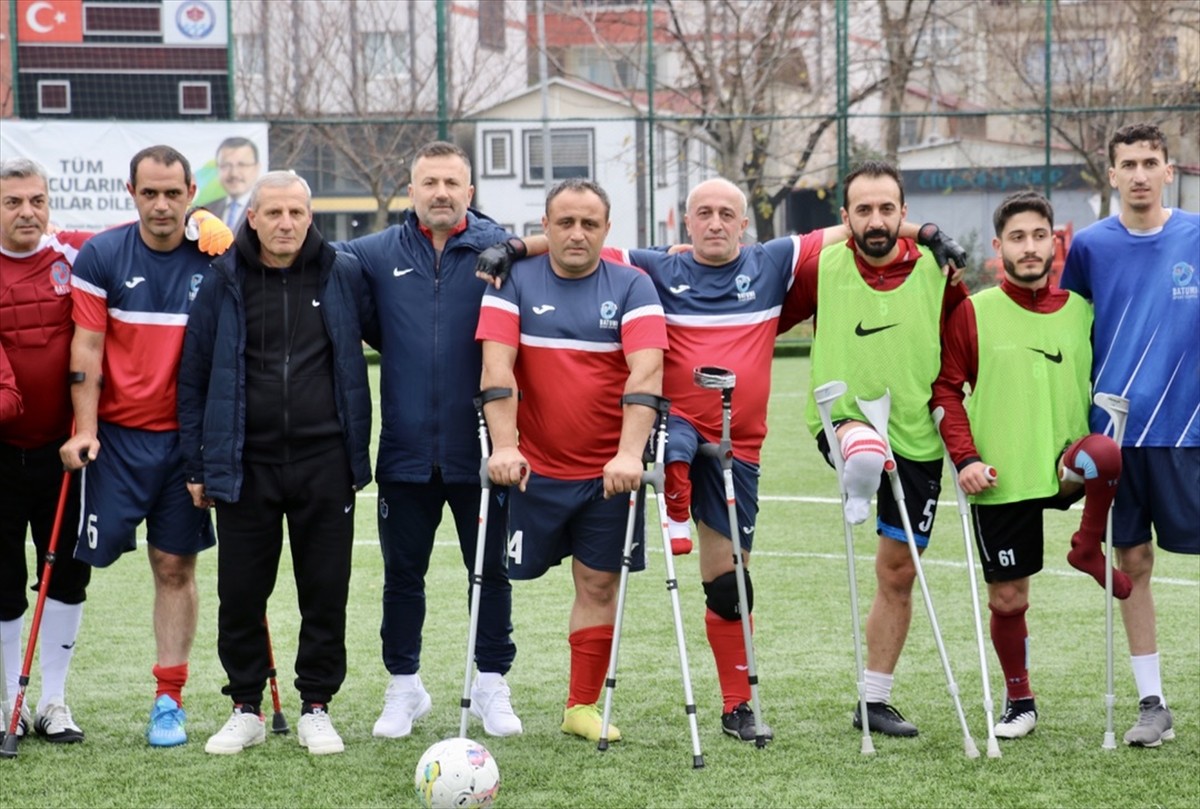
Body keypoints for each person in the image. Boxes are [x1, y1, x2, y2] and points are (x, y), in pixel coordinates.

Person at [477, 176, 964, 742]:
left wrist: (925, 231)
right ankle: (674, 510)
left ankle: (738, 707)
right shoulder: (654, 267)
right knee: (670, 449)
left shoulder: (773, 262)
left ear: (743, 224)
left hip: (739, 447)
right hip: (670, 430)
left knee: (730, 583)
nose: (714, 223)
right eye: (703, 213)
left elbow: (859, 224)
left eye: (725, 213)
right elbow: (573, 241)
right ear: (687, 224)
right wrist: (515, 247)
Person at [178, 171, 376, 756]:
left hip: (325, 460)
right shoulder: (222, 278)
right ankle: (246, 706)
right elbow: (193, 377)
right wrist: (199, 465)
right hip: (246, 464)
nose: (286, 223)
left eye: (296, 212)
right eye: (274, 213)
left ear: (309, 218)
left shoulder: (343, 273)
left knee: (325, 590)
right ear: (254, 218)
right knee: (240, 593)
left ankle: (316, 704)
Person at [334, 141, 523, 739]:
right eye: (429, 182)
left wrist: (516, 244)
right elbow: (299, 250)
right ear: (410, 190)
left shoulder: (499, 251)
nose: (440, 192)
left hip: (482, 451)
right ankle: (404, 687)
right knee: (401, 576)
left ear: (469, 191)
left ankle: (491, 683)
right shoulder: (376, 251)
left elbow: (577, 244)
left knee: (488, 572)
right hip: (405, 451)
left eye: (452, 182)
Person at [932, 190, 1130, 740]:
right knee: (1008, 598)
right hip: (1004, 471)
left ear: (1055, 242)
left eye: (1039, 236)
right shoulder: (974, 311)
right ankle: (1020, 700)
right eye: (1017, 238)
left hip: (1069, 464)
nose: (1030, 247)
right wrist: (966, 459)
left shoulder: (1081, 312)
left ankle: (1087, 548)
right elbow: (946, 391)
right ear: (999, 248)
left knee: (1107, 453)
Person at [782, 160, 969, 737]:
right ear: (845, 219)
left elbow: (963, 351)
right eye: (863, 209)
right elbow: (762, 317)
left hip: (916, 439)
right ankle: (857, 479)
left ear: (904, 214)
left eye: (887, 208)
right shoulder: (823, 266)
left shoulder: (940, 272)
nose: (876, 220)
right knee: (862, 449)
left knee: (897, 573)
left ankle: (874, 699)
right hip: (843, 422)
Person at [477, 178, 667, 742]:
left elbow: (647, 374)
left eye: (589, 223)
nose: (577, 233)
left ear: (607, 230)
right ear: (545, 226)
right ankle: (488, 688)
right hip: (531, 469)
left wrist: (629, 454)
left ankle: (581, 706)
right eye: (565, 222)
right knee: (496, 577)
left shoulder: (635, 286)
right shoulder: (511, 281)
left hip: (606, 476)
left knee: (598, 584)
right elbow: (497, 370)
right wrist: (505, 445)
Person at [58, 145, 227, 748]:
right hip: (117, 442)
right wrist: (85, 429)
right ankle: (49, 699)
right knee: (74, 566)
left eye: (172, 193)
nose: (161, 205)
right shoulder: (104, 254)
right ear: (131, 193)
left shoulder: (216, 255)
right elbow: (87, 351)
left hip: (188, 443)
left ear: (190, 196)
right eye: (149, 193)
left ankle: (168, 699)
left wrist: (232, 246)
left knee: (174, 566)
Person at [1060, 122, 1199, 748]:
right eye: (1128, 164)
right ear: (1110, 174)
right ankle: (1153, 702)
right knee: (1132, 562)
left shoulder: (1197, 238)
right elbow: (1070, 335)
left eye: (1150, 162)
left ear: (1170, 171)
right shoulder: (1089, 247)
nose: (1140, 174)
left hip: (1188, 431)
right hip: (1115, 437)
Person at [0, 158, 93, 744]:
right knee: (2, 581)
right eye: (13, 202)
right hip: (1, 454)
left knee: (68, 576)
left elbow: (146, 237)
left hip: (68, 453)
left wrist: (202, 225)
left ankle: (53, 702)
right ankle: (8, 699)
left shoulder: (75, 255)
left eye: (36, 200)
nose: (27, 211)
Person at [206, 137, 261, 230]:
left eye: (242, 165)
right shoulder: (207, 211)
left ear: (257, 168)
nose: (234, 173)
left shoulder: (266, 210)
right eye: (226, 165)